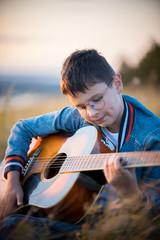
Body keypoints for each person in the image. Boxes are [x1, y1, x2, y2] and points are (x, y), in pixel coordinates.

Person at [0, 49, 160, 239]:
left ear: (117, 84)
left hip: (106, 228)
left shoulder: (152, 138)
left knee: (10, 227)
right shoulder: (81, 118)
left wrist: (131, 193)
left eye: (97, 99)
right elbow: (23, 128)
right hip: (66, 211)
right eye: (81, 106)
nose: (91, 113)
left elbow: (152, 218)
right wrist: (13, 181)